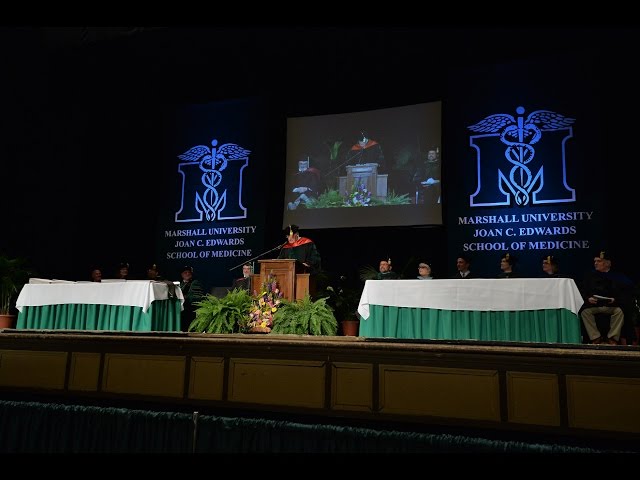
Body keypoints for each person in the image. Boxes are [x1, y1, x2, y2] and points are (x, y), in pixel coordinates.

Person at [579, 250, 634, 345]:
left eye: (599, 261)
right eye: (595, 261)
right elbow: (583, 291)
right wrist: (588, 299)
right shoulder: (590, 276)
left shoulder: (618, 277)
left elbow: (625, 294)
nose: (595, 263)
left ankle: (612, 338)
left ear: (608, 263)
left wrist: (615, 299)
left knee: (619, 312)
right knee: (585, 312)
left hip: (612, 306)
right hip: (595, 306)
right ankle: (595, 337)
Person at [179, 265, 205, 332]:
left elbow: (198, 297)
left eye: (189, 272)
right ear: (182, 274)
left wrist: (185, 297)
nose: (187, 274)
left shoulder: (195, 283)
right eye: (185, 272)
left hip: (189, 310)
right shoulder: (180, 284)